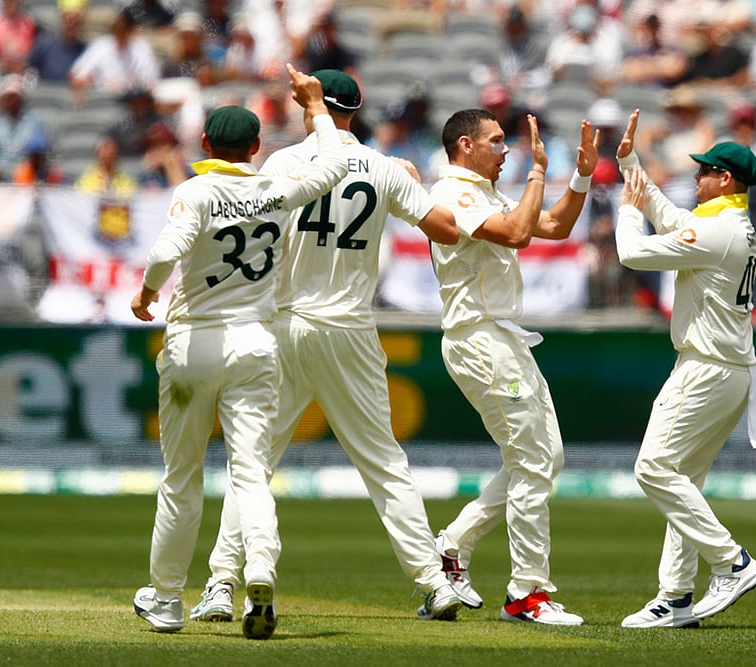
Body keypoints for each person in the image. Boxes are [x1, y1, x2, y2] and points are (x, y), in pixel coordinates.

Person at [189, 68, 465, 625]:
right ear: (354, 111)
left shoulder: (285, 163)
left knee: (253, 465)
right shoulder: (383, 168)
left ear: (311, 106)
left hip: (284, 325)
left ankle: (221, 585)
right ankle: (436, 585)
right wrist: (410, 185)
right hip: (351, 330)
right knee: (386, 465)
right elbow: (448, 229)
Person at [129, 63, 349, 639]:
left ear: (203, 144)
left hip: (193, 345)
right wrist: (317, 106)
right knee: (250, 475)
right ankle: (260, 574)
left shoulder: (196, 190)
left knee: (181, 478)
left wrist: (148, 292)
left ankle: (168, 600)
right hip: (256, 345)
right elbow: (333, 166)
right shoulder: (276, 186)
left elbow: (164, 251)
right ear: (255, 147)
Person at [427, 108, 598, 625]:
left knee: (547, 458)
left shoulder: (485, 193)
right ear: (465, 145)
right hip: (479, 338)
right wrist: (539, 173)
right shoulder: (452, 193)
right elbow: (520, 234)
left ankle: (452, 546)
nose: (506, 150)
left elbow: (555, 225)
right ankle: (527, 594)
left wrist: (582, 174)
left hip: (502, 338)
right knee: (530, 463)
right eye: (496, 141)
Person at [614, 112, 756, 629]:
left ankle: (732, 561)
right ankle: (676, 595)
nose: (697, 176)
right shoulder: (725, 226)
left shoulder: (720, 232)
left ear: (726, 180)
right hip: (727, 369)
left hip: (706, 370)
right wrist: (629, 165)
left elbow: (632, 252)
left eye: (706, 171)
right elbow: (670, 219)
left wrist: (626, 208)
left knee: (653, 469)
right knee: (682, 478)